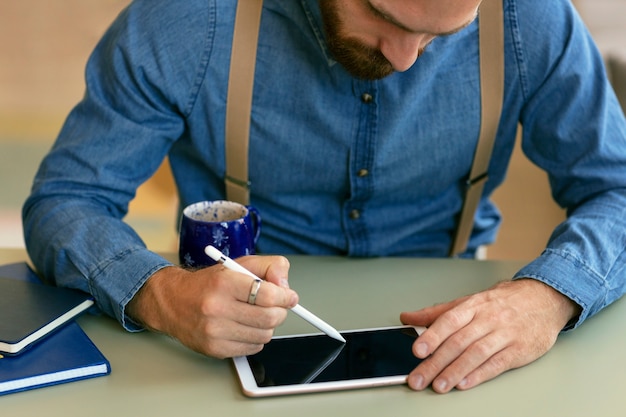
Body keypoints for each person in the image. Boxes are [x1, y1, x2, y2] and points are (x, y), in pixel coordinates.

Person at [22, 0, 626, 394]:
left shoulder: (530, 21)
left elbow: (616, 188)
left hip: (453, 348)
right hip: (218, 357)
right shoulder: (187, 22)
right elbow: (67, 199)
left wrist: (547, 297)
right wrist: (159, 294)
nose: (406, 59)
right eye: (383, 18)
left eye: (439, 36)